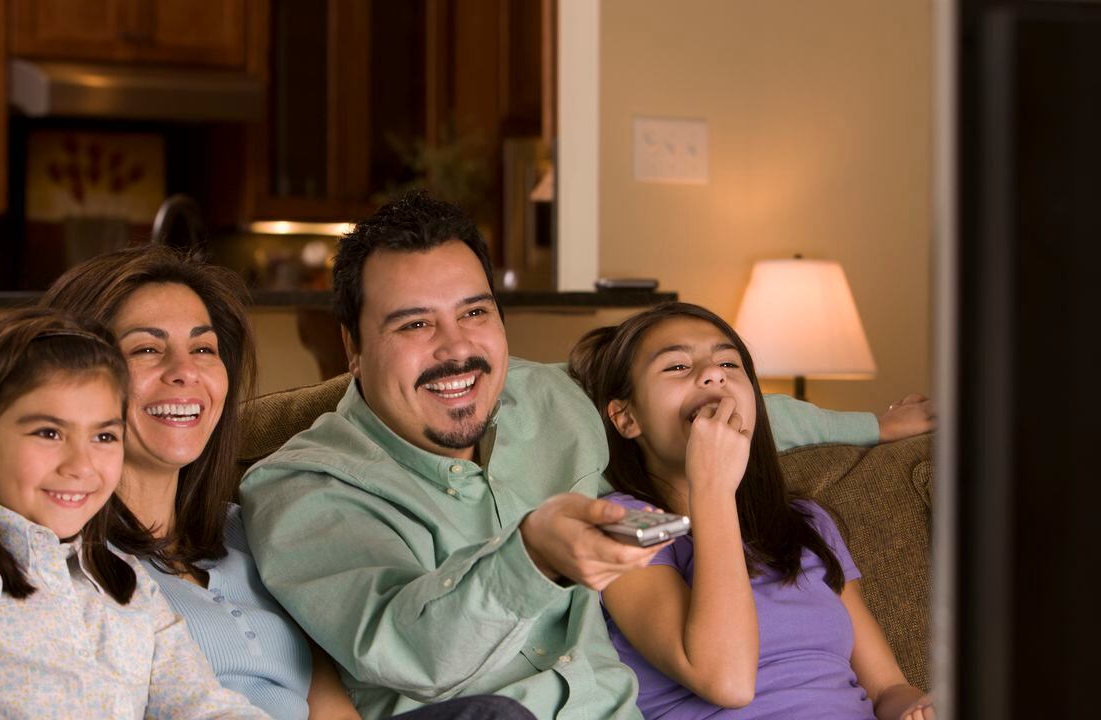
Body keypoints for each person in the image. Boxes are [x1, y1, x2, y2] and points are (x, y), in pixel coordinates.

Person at [238, 192, 931, 719]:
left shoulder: (548, 400)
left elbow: (699, 412)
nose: (456, 349)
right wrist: (531, 560)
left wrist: (871, 422)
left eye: (475, 313)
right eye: (415, 323)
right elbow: (403, 652)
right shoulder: (302, 488)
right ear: (352, 348)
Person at [0, 245, 530, 720]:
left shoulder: (247, 529)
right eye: (145, 349)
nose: (185, 372)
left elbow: (237, 702)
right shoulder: (6, 554)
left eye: (202, 347)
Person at [0, 308, 263, 718]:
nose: (79, 465)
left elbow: (201, 705)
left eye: (103, 436)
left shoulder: (124, 581)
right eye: (49, 432)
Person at [567, 300, 933, 720]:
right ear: (626, 417)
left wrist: (917, 706)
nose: (713, 373)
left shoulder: (804, 521)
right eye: (677, 367)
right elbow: (727, 681)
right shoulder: (621, 523)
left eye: (729, 362)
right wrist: (713, 491)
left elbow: (888, 688)